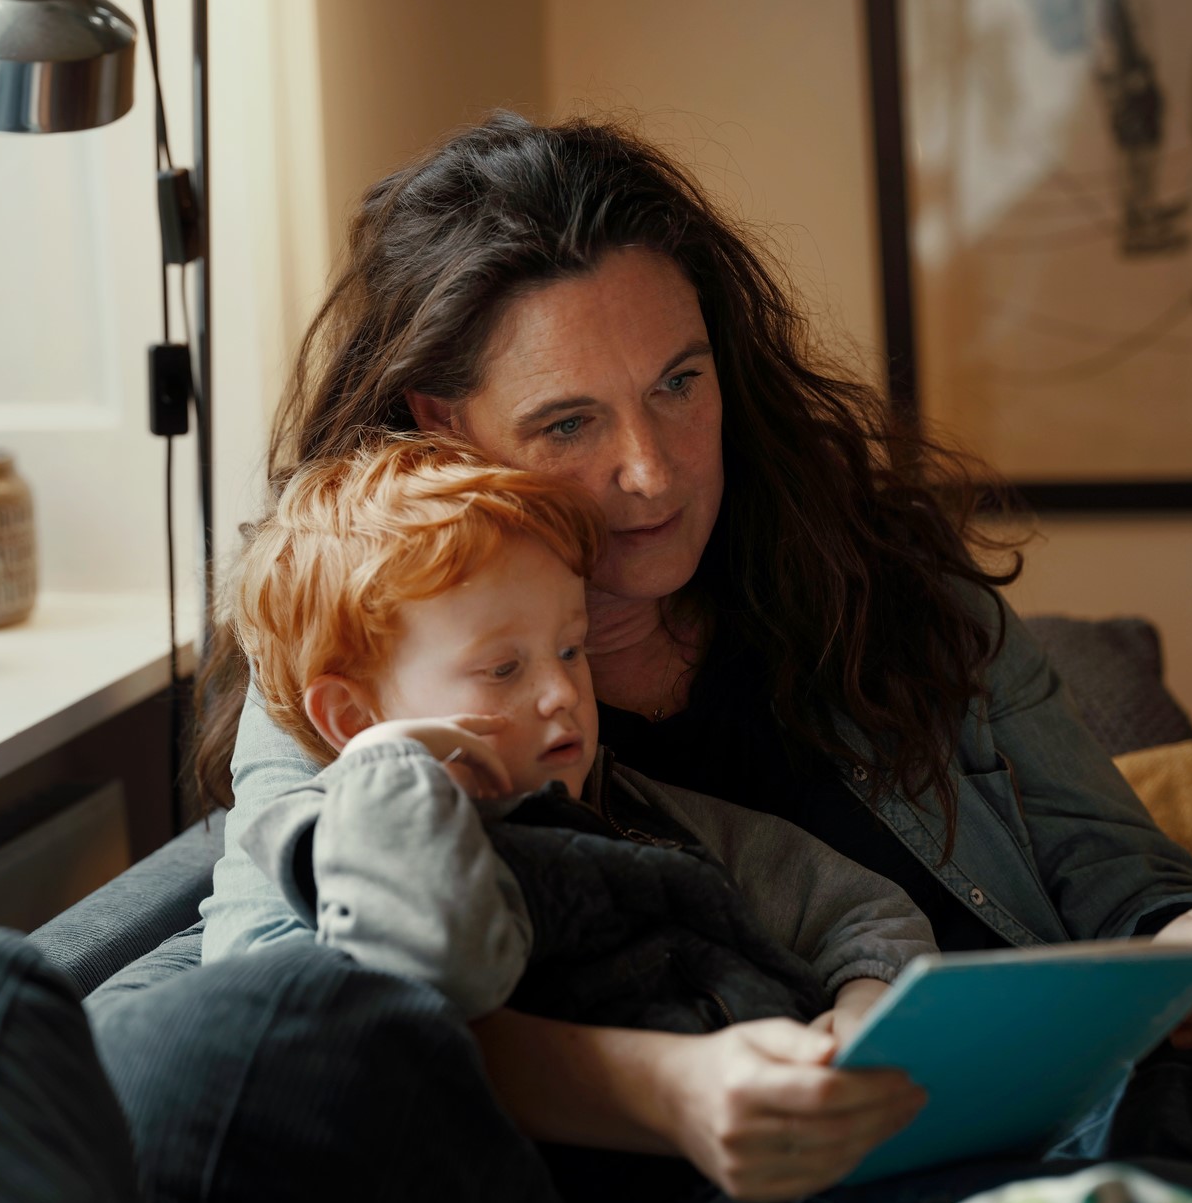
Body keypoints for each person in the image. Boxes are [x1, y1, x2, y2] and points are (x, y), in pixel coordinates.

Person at [186, 113, 1192, 1203]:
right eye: (569, 420)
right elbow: (304, 1027)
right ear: (446, 422)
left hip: (1032, 1118)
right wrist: (667, 1090)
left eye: (682, 383)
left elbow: (1114, 878)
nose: (651, 469)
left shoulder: (883, 584)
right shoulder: (369, 668)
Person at [222, 436, 935, 1043]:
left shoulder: (648, 812)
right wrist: (390, 768)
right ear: (352, 718)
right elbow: (440, 972)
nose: (563, 692)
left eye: (571, 651)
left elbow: (866, 911)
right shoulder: (335, 841)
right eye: (503, 668)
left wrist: (857, 1020)